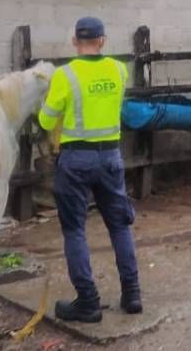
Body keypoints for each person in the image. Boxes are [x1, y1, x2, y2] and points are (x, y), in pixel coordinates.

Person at [38, 17, 142, 323]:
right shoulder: (119, 70)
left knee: (74, 230)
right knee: (119, 226)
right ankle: (132, 294)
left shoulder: (65, 75)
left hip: (75, 161)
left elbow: (45, 121)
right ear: (103, 41)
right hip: (111, 157)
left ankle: (88, 302)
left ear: (74, 42)